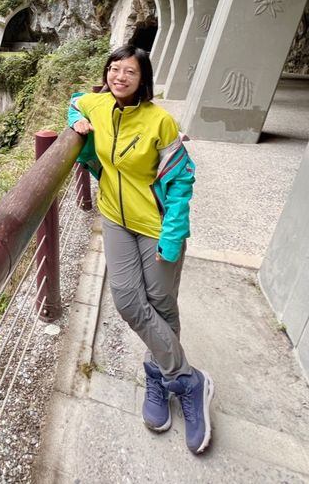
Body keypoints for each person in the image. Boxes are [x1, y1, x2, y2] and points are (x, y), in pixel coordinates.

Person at [68, 44, 213, 454]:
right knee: (130, 301)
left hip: (156, 225)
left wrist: (172, 237)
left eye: (129, 72)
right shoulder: (96, 104)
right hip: (115, 218)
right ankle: (187, 379)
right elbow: (74, 102)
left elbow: (182, 181)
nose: (120, 77)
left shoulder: (160, 122)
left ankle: (158, 374)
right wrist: (76, 120)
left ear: (143, 79)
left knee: (162, 304)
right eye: (114, 69)